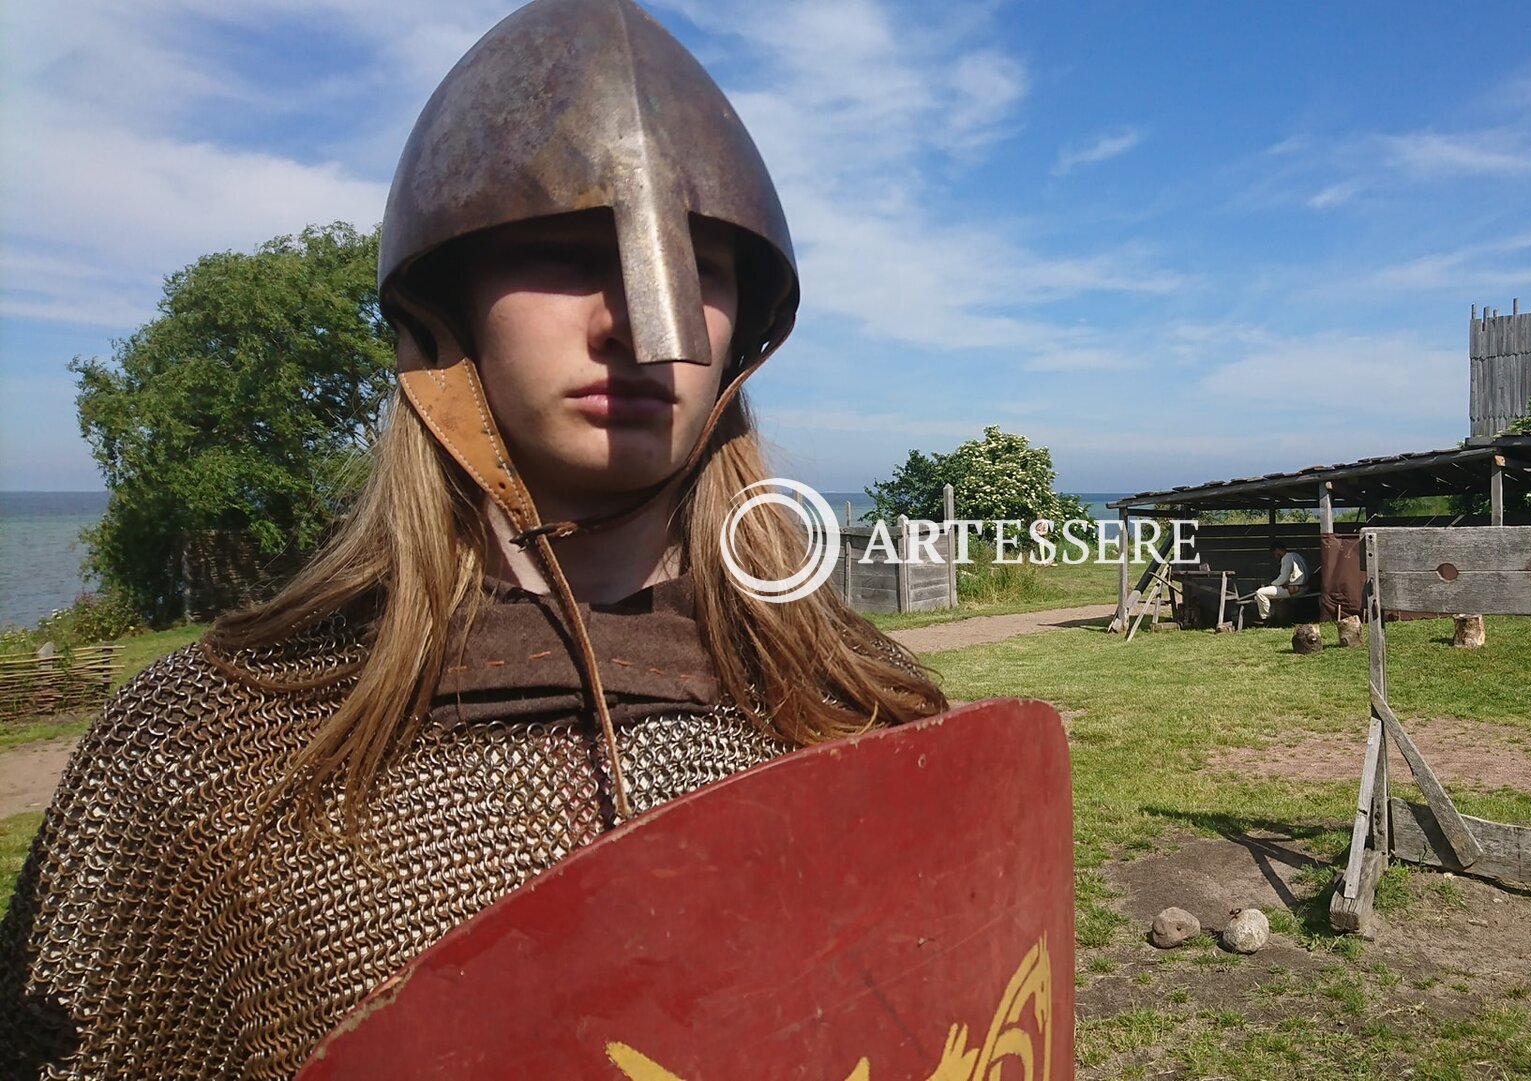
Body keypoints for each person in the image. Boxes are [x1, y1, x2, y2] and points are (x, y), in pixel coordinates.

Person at [0, 1, 947, 1076]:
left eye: (702, 271)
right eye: (559, 252)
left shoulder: (871, 713)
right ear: (438, 315)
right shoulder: (202, 763)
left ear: (743, 332)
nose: (639, 324)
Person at [1252, 542, 1311, 622]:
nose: (1275, 556)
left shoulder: (1286, 558)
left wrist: (1270, 584)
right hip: (1305, 587)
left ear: (1277, 550)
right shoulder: (1297, 556)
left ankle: (1266, 618)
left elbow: (1283, 578)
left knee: (1260, 592)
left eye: (1275, 554)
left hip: (1295, 589)